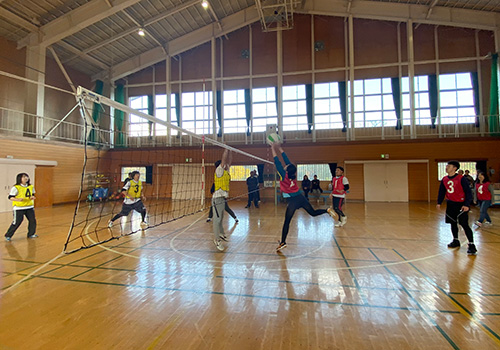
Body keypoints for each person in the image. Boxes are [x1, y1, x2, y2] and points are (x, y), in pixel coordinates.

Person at [271, 143, 336, 251]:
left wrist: (272, 147)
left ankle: (283, 242)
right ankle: (327, 210)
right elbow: (285, 160)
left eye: (286, 166)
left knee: (287, 222)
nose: (285, 165)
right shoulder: (293, 173)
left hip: (293, 201)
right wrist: (279, 148)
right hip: (301, 197)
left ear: (287, 170)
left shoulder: (283, 174)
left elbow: (276, 161)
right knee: (313, 213)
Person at [437, 161, 476, 255]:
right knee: (452, 223)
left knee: (464, 224)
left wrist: (467, 204)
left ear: (455, 168)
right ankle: (455, 240)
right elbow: (442, 191)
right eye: (446, 166)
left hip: (461, 204)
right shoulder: (445, 179)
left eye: (448, 166)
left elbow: (468, 192)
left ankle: (471, 245)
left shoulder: (461, 178)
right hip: (450, 204)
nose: (446, 168)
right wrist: (439, 202)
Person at [4, 173, 37, 241]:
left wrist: (32, 197)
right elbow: (10, 197)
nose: (26, 178)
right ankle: (8, 235)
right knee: (17, 222)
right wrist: (17, 199)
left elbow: (32, 194)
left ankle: (31, 234)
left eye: (26, 176)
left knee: (32, 220)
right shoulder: (16, 187)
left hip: (29, 207)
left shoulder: (31, 186)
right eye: (24, 177)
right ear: (20, 179)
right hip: (19, 208)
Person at [212, 149, 232, 251]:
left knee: (221, 217)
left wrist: (231, 152)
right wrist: (225, 150)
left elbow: (228, 162)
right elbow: (224, 160)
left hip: (222, 199)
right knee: (217, 220)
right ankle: (217, 240)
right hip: (217, 199)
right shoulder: (219, 171)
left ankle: (221, 233)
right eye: (223, 164)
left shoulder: (225, 172)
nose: (225, 165)